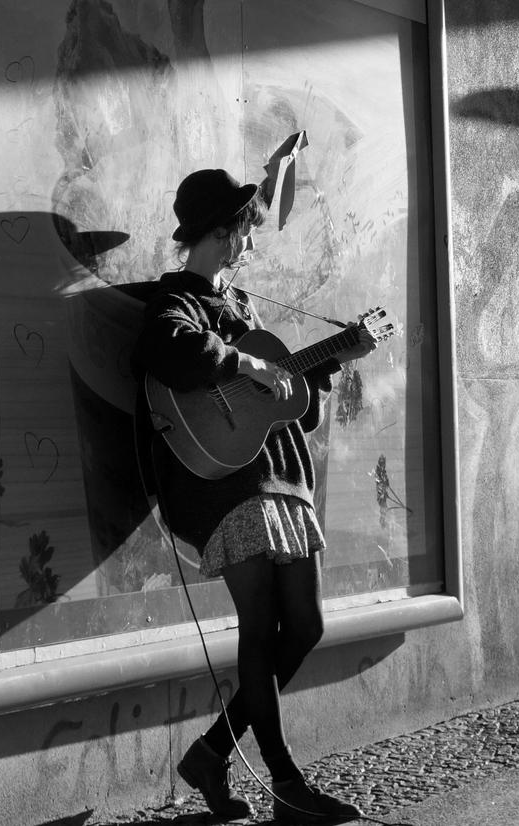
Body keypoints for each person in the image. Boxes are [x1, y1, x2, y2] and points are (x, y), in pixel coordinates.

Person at [132, 168, 376, 824]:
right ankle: (287, 786)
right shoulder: (175, 301)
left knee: (305, 627)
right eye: (245, 232)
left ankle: (212, 754)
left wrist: (319, 369)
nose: (250, 246)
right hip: (225, 490)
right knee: (259, 630)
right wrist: (244, 364)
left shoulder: (246, 311)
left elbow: (291, 411)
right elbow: (170, 350)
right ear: (220, 232)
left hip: (281, 482)